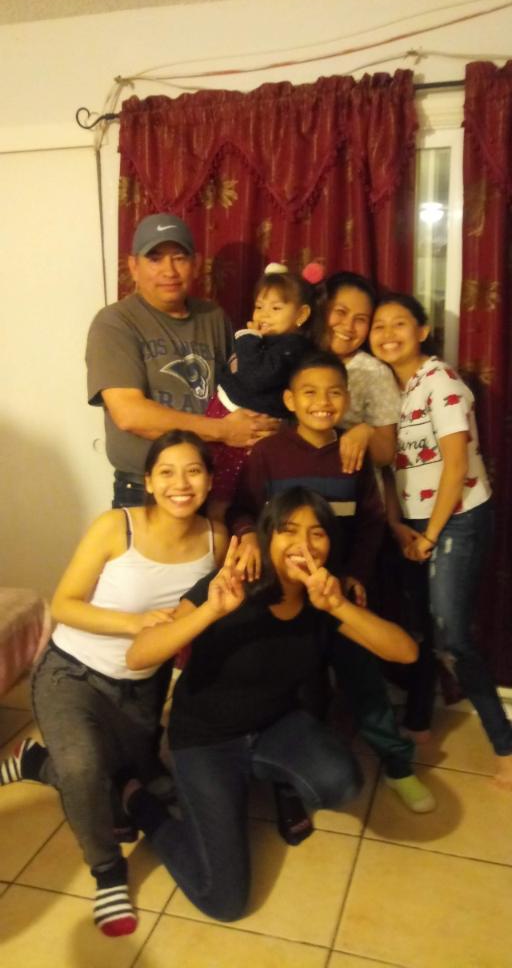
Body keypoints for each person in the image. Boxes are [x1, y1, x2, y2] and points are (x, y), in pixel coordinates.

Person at [120, 487, 418, 922]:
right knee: (224, 901)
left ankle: (267, 784)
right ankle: (145, 808)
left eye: (317, 533)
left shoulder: (323, 597)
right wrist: (210, 612)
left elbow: (405, 652)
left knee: (341, 781)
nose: (303, 544)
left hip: (274, 727)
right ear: (268, 537)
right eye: (288, 531)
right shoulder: (232, 584)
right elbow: (138, 655)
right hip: (204, 741)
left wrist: (338, 605)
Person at [0, 430, 227, 936]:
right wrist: (135, 623)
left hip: (142, 686)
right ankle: (107, 870)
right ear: (148, 481)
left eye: (193, 471)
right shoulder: (115, 526)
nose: (180, 483)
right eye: (166, 472)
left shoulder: (217, 539)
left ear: (211, 481)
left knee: (134, 781)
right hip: (72, 674)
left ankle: (34, 762)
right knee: (84, 772)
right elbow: (64, 605)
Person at [229, 351, 434, 817]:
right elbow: (242, 509)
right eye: (310, 392)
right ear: (290, 400)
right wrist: (247, 536)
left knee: (363, 677)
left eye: (334, 392)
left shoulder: (352, 452)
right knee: (292, 682)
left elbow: (371, 522)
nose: (322, 402)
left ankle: (397, 764)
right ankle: (290, 768)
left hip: (336, 591)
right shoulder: (269, 454)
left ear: (346, 398)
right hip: (284, 594)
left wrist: (354, 574)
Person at [369, 293, 512, 788]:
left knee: (451, 634)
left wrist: (429, 535)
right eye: (379, 325)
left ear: (422, 331)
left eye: (400, 323)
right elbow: (388, 469)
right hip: (412, 523)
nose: (388, 333)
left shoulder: (442, 382)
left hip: (458, 518)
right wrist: (396, 525)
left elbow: (455, 466)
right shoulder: (388, 390)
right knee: (420, 626)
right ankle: (418, 721)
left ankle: (505, 743)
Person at [86, 213, 278, 507]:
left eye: (179, 258)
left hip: (210, 486)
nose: (169, 271)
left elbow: (240, 390)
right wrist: (224, 431)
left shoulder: (213, 317)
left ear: (196, 265)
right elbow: (129, 414)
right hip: (146, 489)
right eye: (155, 259)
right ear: (133, 266)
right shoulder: (115, 322)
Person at [204, 265, 316, 515]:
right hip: (226, 421)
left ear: (301, 314)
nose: (265, 315)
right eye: (259, 307)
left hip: (247, 429)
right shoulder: (269, 342)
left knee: (223, 497)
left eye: (276, 308)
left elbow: (256, 377)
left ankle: (219, 532)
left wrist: (247, 337)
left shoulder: (293, 347)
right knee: (214, 489)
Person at [317, 270, 401, 473]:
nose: (348, 326)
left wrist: (367, 433)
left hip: (348, 481)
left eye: (361, 319)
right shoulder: (292, 354)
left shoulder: (374, 372)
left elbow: (386, 454)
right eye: (341, 311)